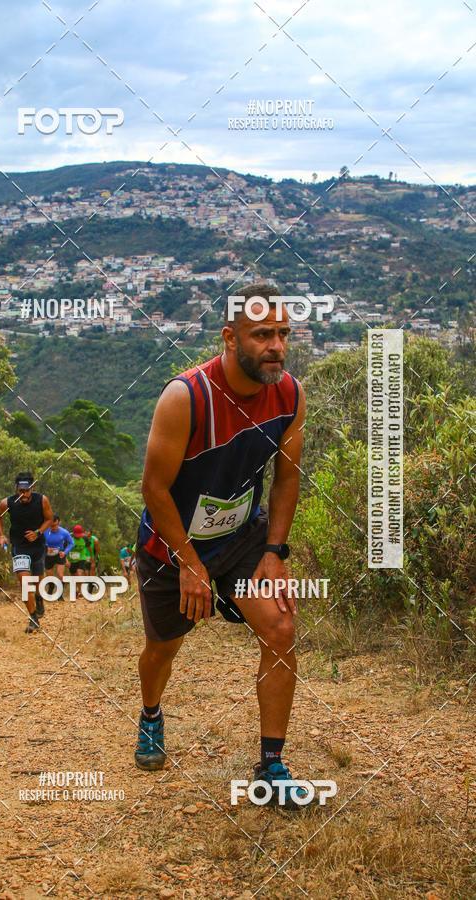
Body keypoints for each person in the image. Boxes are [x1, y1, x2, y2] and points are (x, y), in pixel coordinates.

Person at [134, 283, 312, 809]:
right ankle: (150, 714)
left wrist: (274, 552)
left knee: (280, 627)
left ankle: (272, 765)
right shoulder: (186, 397)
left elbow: (286, 479)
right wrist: (190, 565)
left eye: (283, 333)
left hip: (239, 540)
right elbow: (154, 490)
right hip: (171, 546)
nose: (276, 346)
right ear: (229, 338)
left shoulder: (290, 395)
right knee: (164, 647)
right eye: (262, 335)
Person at [0, 472, 54, 633]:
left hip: (37, 547)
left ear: (32, 488)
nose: (24, 494)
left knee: (38, 581)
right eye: (21, 491)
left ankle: (39, 598)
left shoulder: (42, 500)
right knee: (25, 583)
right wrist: (1, 535)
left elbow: (49, 519)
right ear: (16, 489)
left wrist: (38, 532)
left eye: (27, 490)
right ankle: (33, 617)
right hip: (19, 547)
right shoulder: (7, 503)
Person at [43, 515, 74, 599]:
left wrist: (65, 552)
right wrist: (46, 548)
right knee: (49, 576)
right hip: (48, 555)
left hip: (60, 554)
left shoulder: (64, 532)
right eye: (51, 525)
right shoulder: (45, 531)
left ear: (59, 523)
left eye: (55, 525)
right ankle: (51, 587)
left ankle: (60, 594)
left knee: (60, 575)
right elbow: (39, 541)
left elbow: (71, 543)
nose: (53, 527)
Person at [67, 524, 92, 596]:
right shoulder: (69, 537)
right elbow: (64, 549)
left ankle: (81, 591)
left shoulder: (85, 538)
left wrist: (91, 557)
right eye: (76, 534)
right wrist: (66, 560)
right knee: (74, 576)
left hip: (82, 557)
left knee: (79, 572)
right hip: (71, 559)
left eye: (79, 534)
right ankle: (77, 590)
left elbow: (89, 547)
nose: (78, 536)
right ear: (73, 533)